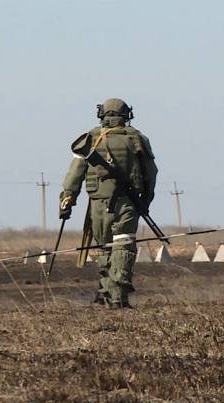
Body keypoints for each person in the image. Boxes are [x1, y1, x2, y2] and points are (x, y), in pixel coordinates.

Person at [59, 98, 158, 309]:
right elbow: (151, 173)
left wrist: (67, 200)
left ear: (102, 114)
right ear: (126, 114)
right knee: (123, 244)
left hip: (97, 204)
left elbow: (74, 175)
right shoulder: (137, 139)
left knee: (104, 248)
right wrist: (146, 201)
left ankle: (104, 294)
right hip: (126, 203)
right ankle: (118, 297)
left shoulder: (89, 140)